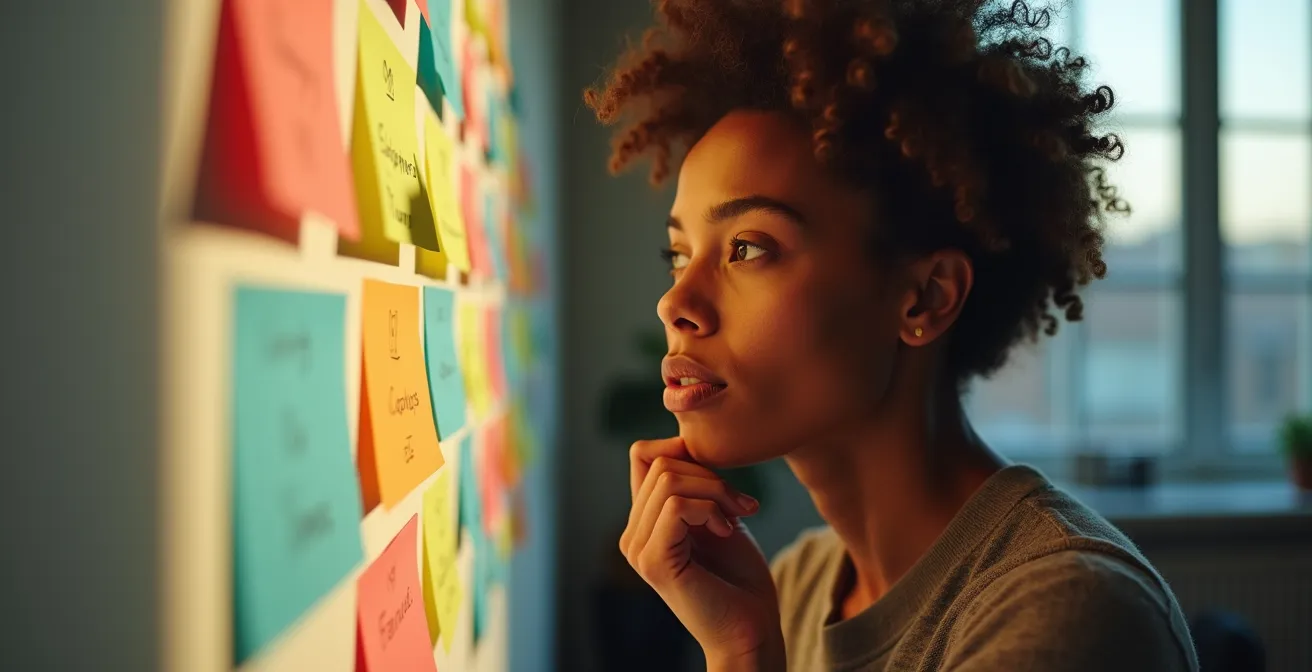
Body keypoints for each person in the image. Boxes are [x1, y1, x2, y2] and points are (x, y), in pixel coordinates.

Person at [584, 0, 1200, 670]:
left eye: (748, 248)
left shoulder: (1064, 612)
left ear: (926, 298)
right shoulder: (793, 587)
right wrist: (742, 646)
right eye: (679, 255)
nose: (675, 303)